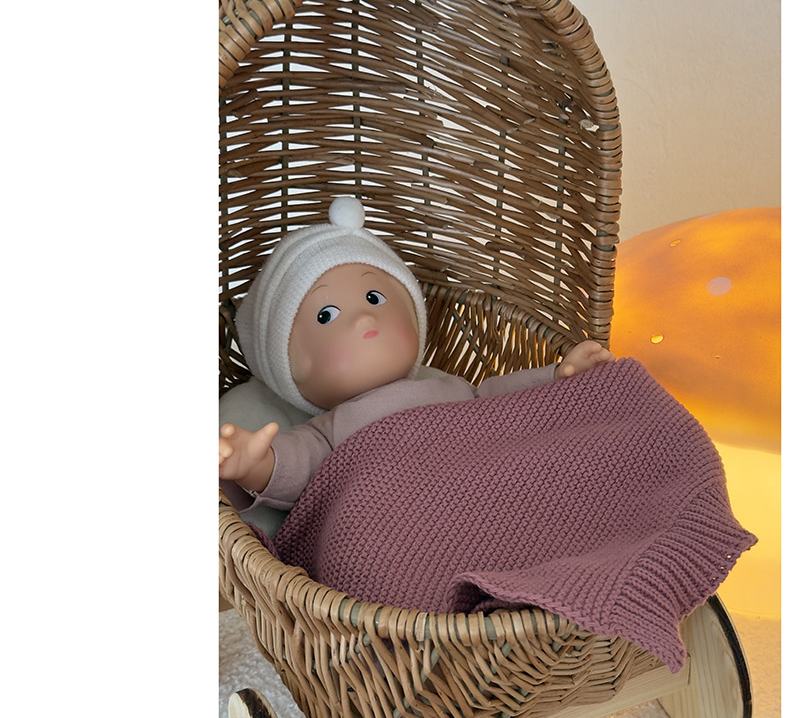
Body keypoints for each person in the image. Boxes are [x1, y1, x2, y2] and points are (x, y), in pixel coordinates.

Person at [219, 197, 614, 511]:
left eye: (374, 297)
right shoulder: (329, 431)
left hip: (488, 495)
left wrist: (557, 376)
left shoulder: (452, 388)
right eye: (327, 315)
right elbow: (295, 466)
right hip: (397, 516)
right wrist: (254, 465)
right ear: (292, 368)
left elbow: (502, 404)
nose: (364, 318)